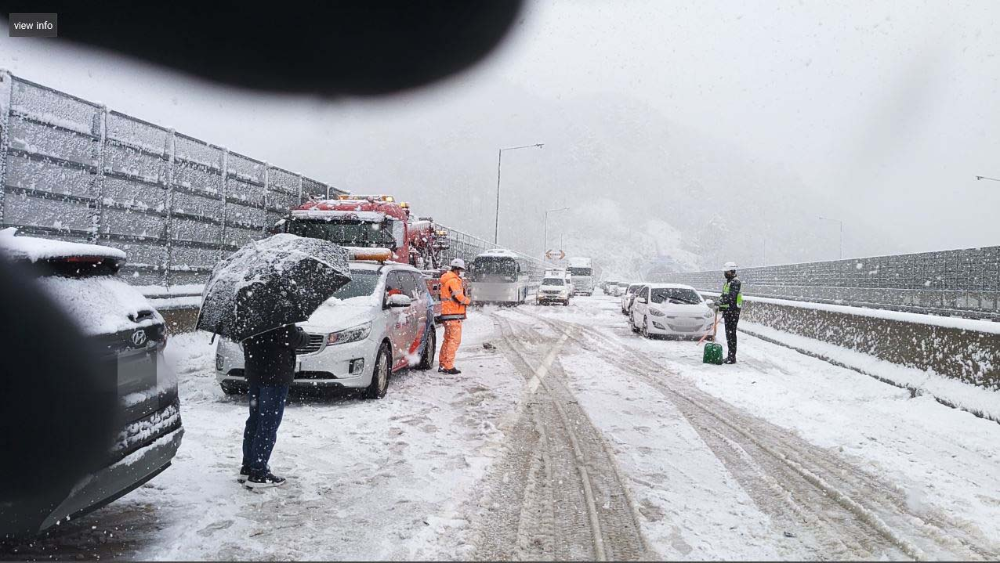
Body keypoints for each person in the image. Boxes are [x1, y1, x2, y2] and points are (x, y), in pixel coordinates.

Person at [239, 324, 309, 489]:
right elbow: (294, 338)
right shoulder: (279, 308)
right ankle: (258, 472)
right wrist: (303, 334)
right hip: (275, 373)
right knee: (268, 423)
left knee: (255, 420)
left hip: (255, 371)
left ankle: (248, 466)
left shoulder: (249, 307)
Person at [438, 258, 471, 374]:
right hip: (453, 314)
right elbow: (459, 297)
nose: (462, 272)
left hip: (447, 313)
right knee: (454, 341)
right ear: (457, 269)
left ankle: (442, 363)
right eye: (461, 270)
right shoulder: (453, 280)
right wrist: (468, 301)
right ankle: (448, 366)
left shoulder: (446, 279)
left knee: (447, 340)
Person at [718, 261, 743, 364]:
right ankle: (730, 356)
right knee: (729, 335)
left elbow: (731, 298)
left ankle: (732, 357)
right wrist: (720, 305)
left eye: (726, 272)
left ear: (732, 271)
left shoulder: (735, 282)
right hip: (728, 312)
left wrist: (722, 302)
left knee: (731, 335)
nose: (725, 273)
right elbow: (724, 295)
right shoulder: (728, 283)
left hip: (733, 312)